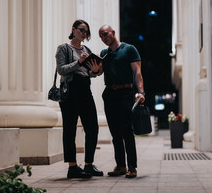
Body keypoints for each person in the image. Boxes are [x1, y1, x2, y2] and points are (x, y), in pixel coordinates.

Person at [56, 19, 103, 178]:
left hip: (84, 88)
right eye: (81, 30)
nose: (84, 34)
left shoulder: (87, 49)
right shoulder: (64, 48)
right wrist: (79, 62)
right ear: (73, 30)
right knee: (70, 129)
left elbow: (89, 72)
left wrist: (95, 71)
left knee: (92, 127)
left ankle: (89, 164)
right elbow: (62, 69)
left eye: (86, 32)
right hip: (70, 89)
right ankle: (72, 167)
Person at [97, 25, 145, 178]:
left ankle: (132, 166)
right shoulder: (104, 54)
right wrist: (92, 65)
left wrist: (141, 92)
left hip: (126, 92)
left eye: (105, 34)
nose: (104, 38)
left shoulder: (129, 49)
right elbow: (98, 72)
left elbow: (137, 72)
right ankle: (120, 166)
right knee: (115, 132)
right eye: (101, 36)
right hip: (109, 93)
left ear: (113, 33)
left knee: (126, 130)